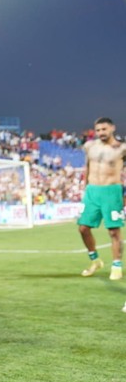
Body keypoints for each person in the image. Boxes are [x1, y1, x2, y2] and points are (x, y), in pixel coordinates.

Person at [76, 117, 126, 283]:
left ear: (112, 128)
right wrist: (85, 187)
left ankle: (117, 266)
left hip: (112, 191)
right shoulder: (89, 146)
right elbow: (87, 167)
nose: (101, 133)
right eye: (98, 130)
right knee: (83, 228)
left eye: (104, 129)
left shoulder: (122, 148)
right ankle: (95, 260)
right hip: (92, 191)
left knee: (114, 231)